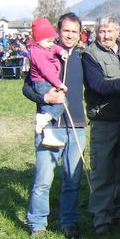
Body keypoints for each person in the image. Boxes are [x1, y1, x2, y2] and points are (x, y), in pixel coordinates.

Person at [23, 13, 85, 238]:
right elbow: (27, 88)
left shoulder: (82, 57)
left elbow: (98, 83)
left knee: (72, 180)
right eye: (66, 31)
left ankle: (68, 221)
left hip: (77, 125)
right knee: (43, 180)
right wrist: (45, 99)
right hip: (51, 126)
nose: (69, 35)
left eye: (74, 32)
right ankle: (37, 223)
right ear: (58, 32)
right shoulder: (43, 53)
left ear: (79, 34)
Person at [82, 17, 120, 236]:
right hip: (104, 120)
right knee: (103, 171)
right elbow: (96, 85)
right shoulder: (90, 55)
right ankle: (102, 218)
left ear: (118, 31)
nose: (105, 35)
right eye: (101, 31)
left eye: (109, 31)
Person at [28, 18, 69, 149]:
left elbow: (54, 48)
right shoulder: (37, 53)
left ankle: (45, 121)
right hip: (42, 82)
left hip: (46, 81)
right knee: (55, 103)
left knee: (60, 103)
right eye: (48, 41)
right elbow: (46, 72)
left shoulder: (46, 46)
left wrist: (61, 51)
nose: (51, 44)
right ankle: (45, 123)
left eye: (52, 40)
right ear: (37, 40)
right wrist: (59, 84)